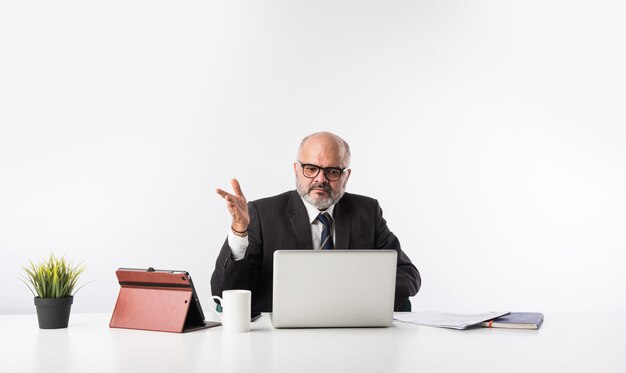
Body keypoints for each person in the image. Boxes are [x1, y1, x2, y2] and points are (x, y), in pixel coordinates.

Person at [211, 132, 421, 312]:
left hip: (354, 332)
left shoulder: (367, 211)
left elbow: (408, 275)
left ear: (346, 176)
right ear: (296, 169)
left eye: (332, 171)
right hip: (282, 339)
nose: (320, 179)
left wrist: (359, 294)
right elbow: (224, 292)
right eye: (311, 168)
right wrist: (239, 231)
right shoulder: (262, 214)